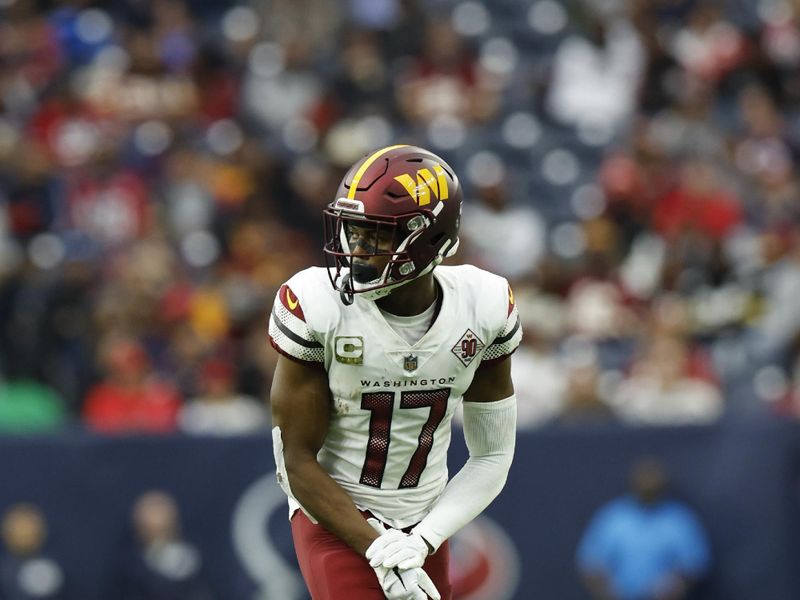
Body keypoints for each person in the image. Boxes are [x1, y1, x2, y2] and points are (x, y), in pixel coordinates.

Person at [268, 144, 520, 600]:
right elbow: (294, 461)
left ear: (428, 238)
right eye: (352, 231)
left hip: (423, 520)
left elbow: (492, 456)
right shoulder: (316, 303)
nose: (355, 249)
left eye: (376, 235)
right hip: (335, 512)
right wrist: (378, 544)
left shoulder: (483, 306)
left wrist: (421, 539)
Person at [576, 458, 712, 600]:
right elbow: (590, 563)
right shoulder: (614, 517)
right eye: (644, 481)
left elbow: (694, 563)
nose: (648, 486)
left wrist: (673, 587)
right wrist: (608, 594)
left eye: (653, 481)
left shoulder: (679, 519)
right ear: (634, 483)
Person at [109, 490, 215, 600]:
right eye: (151, 530)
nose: (159, 539)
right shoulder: (129, 573)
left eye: (164, 529)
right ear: (139, 530)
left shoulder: (192, 565)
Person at [0, 504, 66, 600]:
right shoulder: (5, 569)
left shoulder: (45, 572)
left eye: (26, 529)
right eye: (18, 529)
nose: (23, 533)